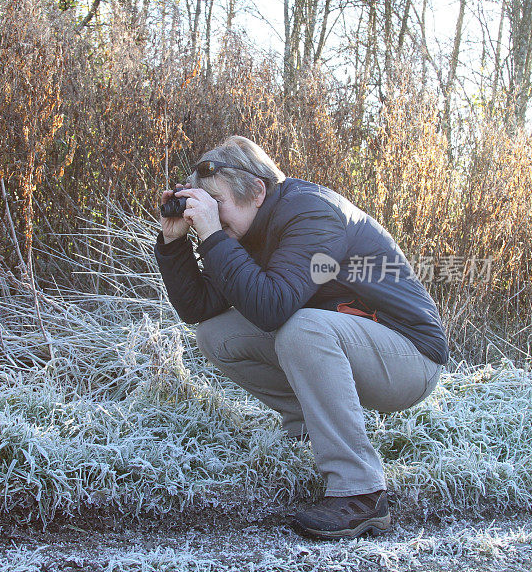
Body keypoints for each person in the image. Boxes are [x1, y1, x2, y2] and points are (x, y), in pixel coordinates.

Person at [153, 135, 447, 539]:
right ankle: (308, 426)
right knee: (215, 334)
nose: (209, 215)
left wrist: (214, 235)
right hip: (354, 343)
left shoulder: (312, 212)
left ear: (257, 190)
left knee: (301, 328)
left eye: (216, 202)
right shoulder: (248, 230)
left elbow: (274, 307)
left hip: (410, 355)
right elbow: (199, 307)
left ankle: (360, 492)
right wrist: (173, 241)